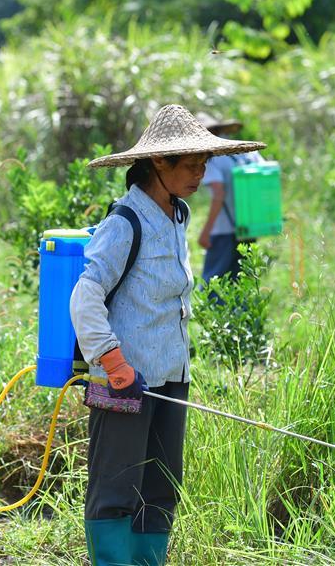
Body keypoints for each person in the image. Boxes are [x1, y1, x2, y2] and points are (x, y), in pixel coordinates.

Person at [70, 105, 265, 566]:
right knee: (116, 488)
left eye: (205, 163)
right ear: (159, 162)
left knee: (161, 486)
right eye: (192, 164)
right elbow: (85, 295)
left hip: (172, 376)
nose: (201, 173)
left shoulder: (178, 215)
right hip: (123, 379)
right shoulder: (125, 222)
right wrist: (114, 362)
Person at [196, 113, 266, 283]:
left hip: (223, 230)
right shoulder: (247, 152)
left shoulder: (211, 159)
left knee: (213, 283)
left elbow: (218, 194)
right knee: (242, 281)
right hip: (249, 225)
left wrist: (206, 231)